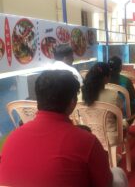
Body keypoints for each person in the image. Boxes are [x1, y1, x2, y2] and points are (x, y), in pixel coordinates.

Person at [0, 70, 128, 187]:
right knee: (118, 173)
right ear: (73, 102)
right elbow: (105, 183)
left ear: (38, 99)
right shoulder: (86, 142)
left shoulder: (12, 138)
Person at [80, 62, 130, 145]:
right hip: (111, 138)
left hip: (88, 135)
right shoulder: (114, 95)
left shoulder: (80, 95)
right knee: (125, 123)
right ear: (106, 78)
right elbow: (119, 117)